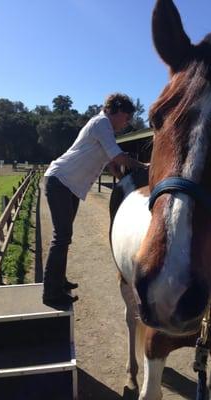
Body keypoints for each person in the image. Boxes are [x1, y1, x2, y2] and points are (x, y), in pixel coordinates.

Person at [42, 93, 146, 308]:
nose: (126, 124)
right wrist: (145, 168)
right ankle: (51, 293)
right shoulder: (101, 123)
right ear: (115, 110)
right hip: (60, 181)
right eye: (126, 118)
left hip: (69, 186)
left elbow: (112, 164)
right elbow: (117, 157)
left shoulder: (104, 128)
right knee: (61, 237)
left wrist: (122, 176)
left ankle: (58, 282)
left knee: (64, 237)